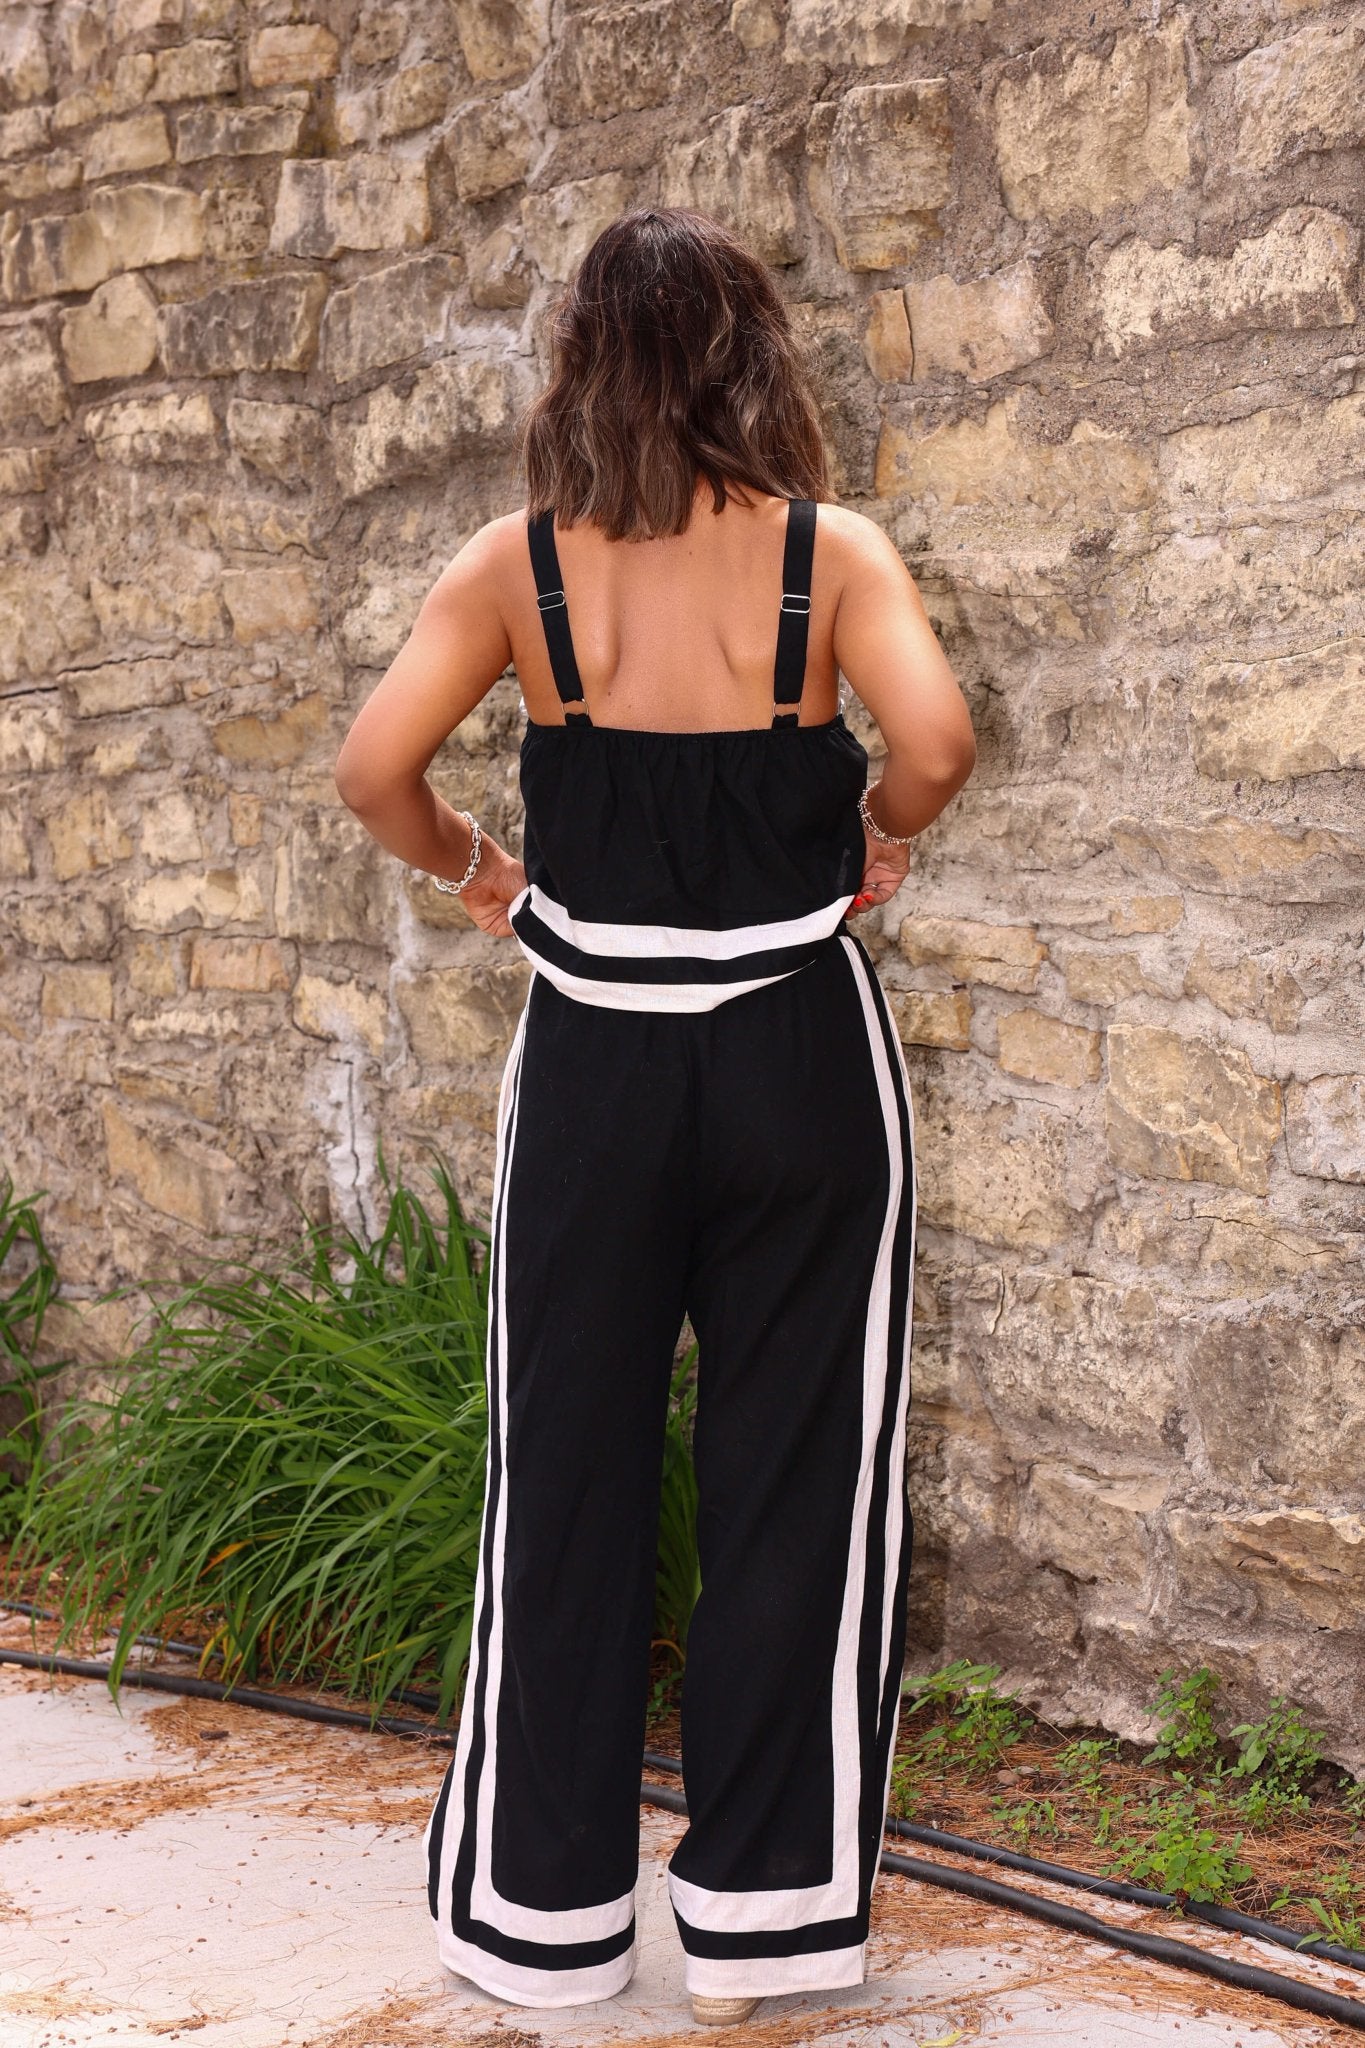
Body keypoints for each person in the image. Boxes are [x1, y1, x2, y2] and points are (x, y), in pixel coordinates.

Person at [334, 206, 976, 2029]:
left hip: (597, 1063)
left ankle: (544, 1928)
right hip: (797, 1057)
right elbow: (930, 745)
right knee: (798, 1482)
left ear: (580, 370)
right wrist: (888, 843)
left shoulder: (513, 570)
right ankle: (767, 1929)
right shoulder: (828, 559)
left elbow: (373, 770)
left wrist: (479, 871)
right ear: (750, 360)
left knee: (571, 1477)